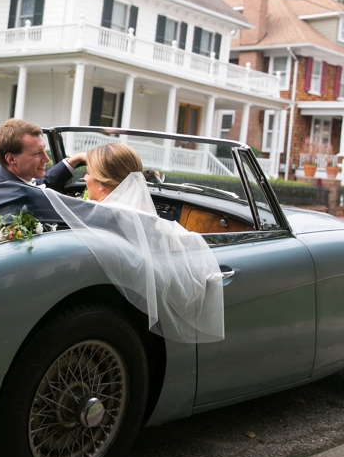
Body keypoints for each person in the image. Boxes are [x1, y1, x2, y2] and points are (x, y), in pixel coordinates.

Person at [43, 141, 226, 344]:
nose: (85, 177)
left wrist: (75, 158)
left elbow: (37, 194)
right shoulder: (139, 218)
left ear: (102, 184)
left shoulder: (94, 216)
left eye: (88, 172)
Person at [0, 119, 86, 190]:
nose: (47, 159)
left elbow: (40, 183)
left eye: (44, 150)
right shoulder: (21, 198)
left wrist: (74, 160)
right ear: (11, 159)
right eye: (37, 154)